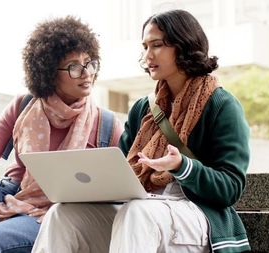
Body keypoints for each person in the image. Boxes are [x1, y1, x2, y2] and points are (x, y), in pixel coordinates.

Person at [32, 9, 251, 253]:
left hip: (197, 215)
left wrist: (181, 166)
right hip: (142, 209)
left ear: (184, 45)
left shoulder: (221, 105)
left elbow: (230, 187)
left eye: (156, 45)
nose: (148, 55)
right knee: (62, 215)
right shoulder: (143, 108)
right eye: (145, 46)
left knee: (137, 213)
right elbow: (124, 170)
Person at [0, 16, 123, 253]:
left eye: (90, 63)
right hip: (11, 195)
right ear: (48, 72)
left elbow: (125, 185)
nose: (86, 73)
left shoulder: (107, 124)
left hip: (57, 215)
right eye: (74, 66)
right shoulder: (24, 106)